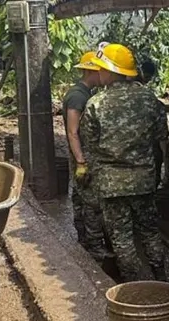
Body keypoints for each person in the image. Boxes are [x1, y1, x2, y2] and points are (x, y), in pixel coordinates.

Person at [80, 43, 169, 282]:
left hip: (111, 184)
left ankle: (133, 285)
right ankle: (161, 277)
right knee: (150, 231)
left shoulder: (95, 104)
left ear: (110, 71)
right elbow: (162, 137)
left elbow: (89, 145)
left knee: (122, 237)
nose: (98, 72)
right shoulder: (150, 99)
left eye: (101, 68)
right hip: (144, 180)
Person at [63, 51, 115, 272]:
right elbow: (72, 132)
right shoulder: (78, 96)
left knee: (81, 197)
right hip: (83, 156)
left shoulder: (85, 93)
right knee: (91, 203)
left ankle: (84, 240)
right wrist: (81, 161)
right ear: (93, 71)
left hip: (83, 156)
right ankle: (94, 247)